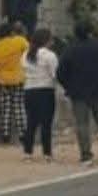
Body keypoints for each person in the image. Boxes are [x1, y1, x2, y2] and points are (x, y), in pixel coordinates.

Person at [56, 21, 98, 165]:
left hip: (78, 93)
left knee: (82, 124)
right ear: (91, 32)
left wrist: (69, 86)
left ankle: (86, 156)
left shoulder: (70, 51)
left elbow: (60, 73)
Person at [0, 23, 29, 144]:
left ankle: (5, 134)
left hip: (1, 80)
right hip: (18, 78)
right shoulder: (20, 41)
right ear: (11, 32)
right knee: (19, 106)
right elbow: (29, 53)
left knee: (5, 107)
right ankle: (22, 134)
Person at [22, 28, 58, 162]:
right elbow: (55, 74)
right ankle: (47, 153)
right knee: (46, 123)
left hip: (29, 90)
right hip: (45, 90)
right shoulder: (50, 55)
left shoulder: (26, 54)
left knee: (31, 122)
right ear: (47, 40)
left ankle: (27, 152)